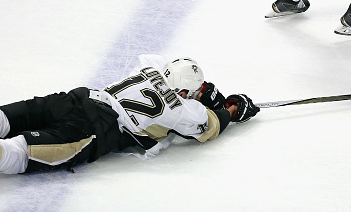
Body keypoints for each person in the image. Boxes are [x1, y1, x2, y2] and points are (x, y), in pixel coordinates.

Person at [0, 55, 259, 174]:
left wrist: (197, 93)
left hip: (75, 99)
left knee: (8, 118)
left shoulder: (152, 64)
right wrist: (230, 110)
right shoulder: (182, 111)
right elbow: (209, 126)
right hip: (95, 130)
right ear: (184, 91)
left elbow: (168, 70)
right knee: (20, 153)